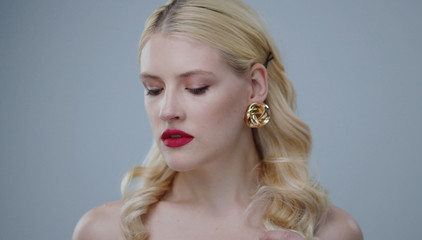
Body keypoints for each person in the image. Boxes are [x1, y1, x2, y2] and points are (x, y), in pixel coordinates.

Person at [73, 0, 363, 239]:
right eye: (154, 89)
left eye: (196, 87)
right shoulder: (105, 231)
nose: (167, 110)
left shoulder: (330, 232)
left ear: (255, 86)